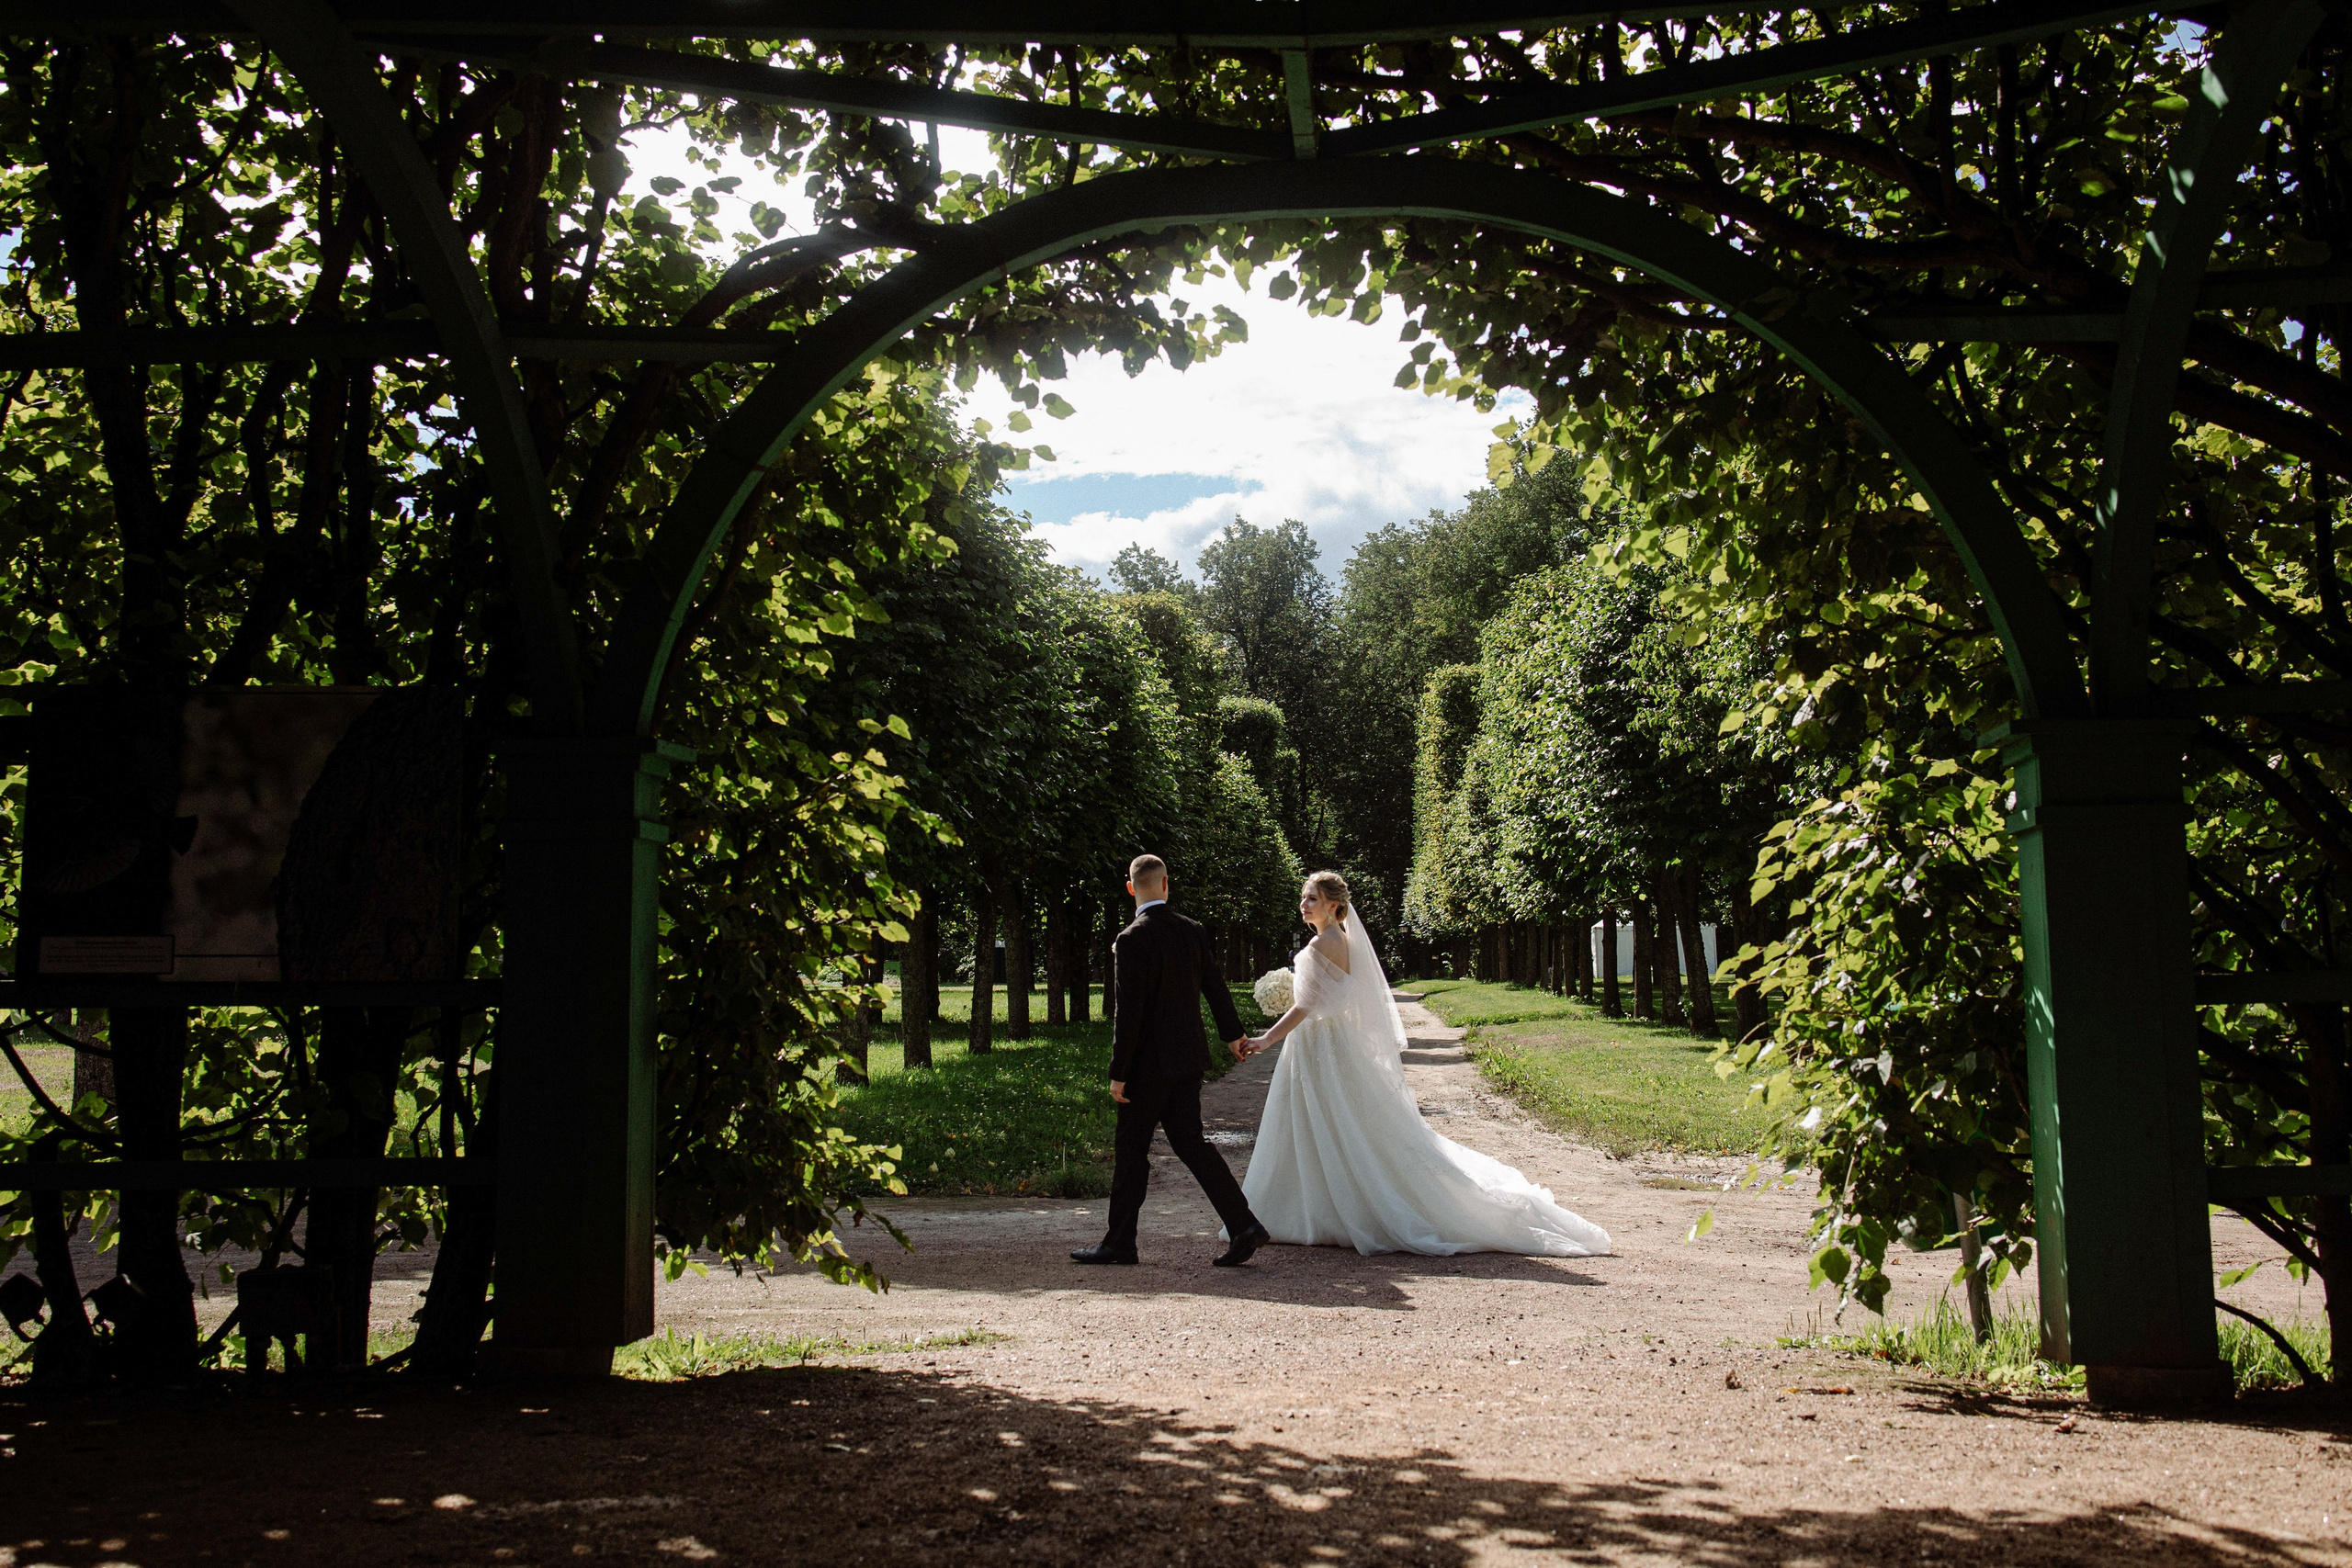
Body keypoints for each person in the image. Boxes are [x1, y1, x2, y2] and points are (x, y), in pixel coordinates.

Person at [1235, 870, 1611, 1258]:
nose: (1304, 904)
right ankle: (1322, 1207)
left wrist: (1266, 1039)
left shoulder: (1323, 944)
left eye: (1311, 898)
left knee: (1326, 1120)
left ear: (1333, 905)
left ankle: (1315, 1210)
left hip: (1319, 1043)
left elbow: (1306, 1007)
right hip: (1329, 1043)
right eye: (1303, 897)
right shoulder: (1339, 940)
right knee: (1339, 1121)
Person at [1070, 853, 1273, 1268]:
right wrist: (1233, 1036)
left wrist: (1118, 1072)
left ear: (1131, 888)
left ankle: (1120, 1242)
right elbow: (1214, 987)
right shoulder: (1192, 931)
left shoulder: (1131, 939)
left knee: (1131, 1149)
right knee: (1191, 1143)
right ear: (1166, 884)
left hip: (1147, 1067)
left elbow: (1129, 1014)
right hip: (1187, 1060)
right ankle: (1244, 1225)